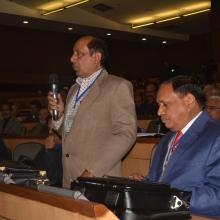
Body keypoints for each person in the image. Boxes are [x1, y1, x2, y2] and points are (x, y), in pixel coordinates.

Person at [48, 35, 137, 188]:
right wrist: (59, 116)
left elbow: (126, 134)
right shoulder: (74, 89)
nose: (72, 59)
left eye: (78, 54)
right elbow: (70, 135)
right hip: (69, 179)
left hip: (99, 180)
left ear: (96, 57)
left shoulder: (117, 86)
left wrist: (92, 172)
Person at [145, 75, 220, 217]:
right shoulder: (167, 139)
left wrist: (169, 199)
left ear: (189, 101)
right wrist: (142, 185)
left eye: (165, 104)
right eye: (158, 105)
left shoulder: (216, 136)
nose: (159, 112)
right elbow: (161, 182)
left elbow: (217, 198)